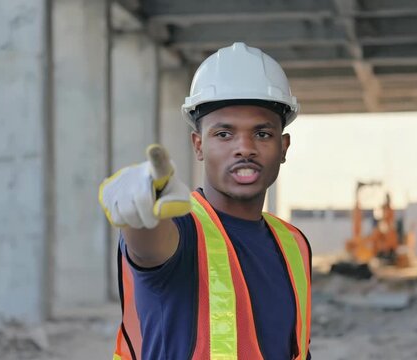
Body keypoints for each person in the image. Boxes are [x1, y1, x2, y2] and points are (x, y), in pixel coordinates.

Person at [99, 42, 312, 360]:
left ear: (284, 147)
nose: (245, 148)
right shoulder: (182, 226)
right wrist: (139, 215)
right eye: (224, 134)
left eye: (262, 134)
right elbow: (149, 247)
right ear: (198, 145)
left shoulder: (294, 244)